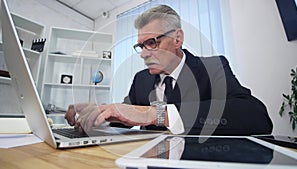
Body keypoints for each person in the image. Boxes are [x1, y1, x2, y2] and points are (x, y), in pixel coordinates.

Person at [65, 5, 273, 135]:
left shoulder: (213, 67)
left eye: (152, 43)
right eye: (141, 46)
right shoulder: (141, 79)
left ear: (177, 39)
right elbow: (127, 115)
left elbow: (256, 116)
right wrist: (100, 113)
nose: (144, 54)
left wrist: (157, 114)